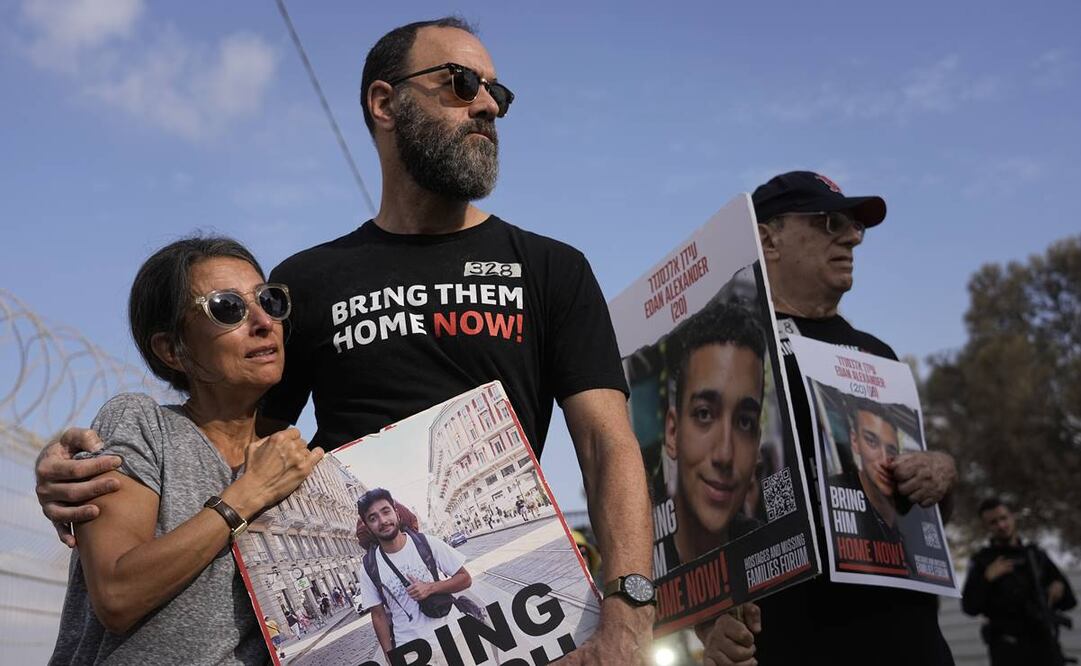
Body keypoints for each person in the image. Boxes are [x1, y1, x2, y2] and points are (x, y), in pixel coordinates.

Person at [34, 17, 654, 663]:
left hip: (520, 634)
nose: (487, 105)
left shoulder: (550, 268)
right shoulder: (305, 282)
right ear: (384, 103)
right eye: (461, 82)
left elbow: (607, 444)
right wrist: (83, 473)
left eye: (498, 92)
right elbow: (234, 439)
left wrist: (630, 611)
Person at [47, 237, 324, 664]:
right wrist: (246, 495)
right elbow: (117, 595)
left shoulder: (290, 464)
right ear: (172, 349)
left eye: (268, 301)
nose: (263, 321)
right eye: (228, 308)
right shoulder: (142, 424)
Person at [724, 171, 959, 666]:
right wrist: (708, 620)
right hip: (793, 639)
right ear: (768, 239)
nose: (852, 237)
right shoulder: (725, 353)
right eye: (830, 222)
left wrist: (940, 473)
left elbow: (923, 514)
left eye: (855, 227)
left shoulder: (879, 355)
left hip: (908, 637)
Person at [660, 301, 766, 570]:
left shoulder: (769, 552)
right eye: (705, 414)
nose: (725, 454)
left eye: (744, 422)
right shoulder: (634, 563)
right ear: (673, 432)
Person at [356, 488, 473, 657]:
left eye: (385, 511)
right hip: (412, 652)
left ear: (396, 513)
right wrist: (391, 658)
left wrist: (431, 588)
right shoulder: (369, 567)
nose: (382, 520)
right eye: (373, 518)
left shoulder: (427, 543)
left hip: (453, 635)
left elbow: (465, 579)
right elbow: (378, 616)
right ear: (368, 526)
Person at [962, 497, 1077, 666]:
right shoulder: (983, 561)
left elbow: (1069, 601)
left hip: (1045, 645)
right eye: (994, 522)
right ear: (987, 527)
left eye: (1003, 518)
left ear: (1012, 517)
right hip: (1008, 649)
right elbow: (969, 607)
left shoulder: (1035, 555)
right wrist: (987, 579)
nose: (1001, 525)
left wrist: (1059, 587)